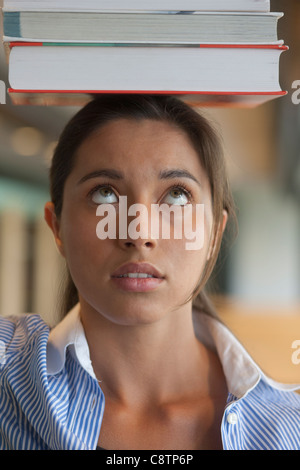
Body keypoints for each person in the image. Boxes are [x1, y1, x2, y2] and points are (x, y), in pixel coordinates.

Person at [0, 94, 300, 451]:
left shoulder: (287, 430)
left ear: (214, 235)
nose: (140, 234)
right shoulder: (9, 373)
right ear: (58, 228)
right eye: (105, 194)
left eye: (176, 195)